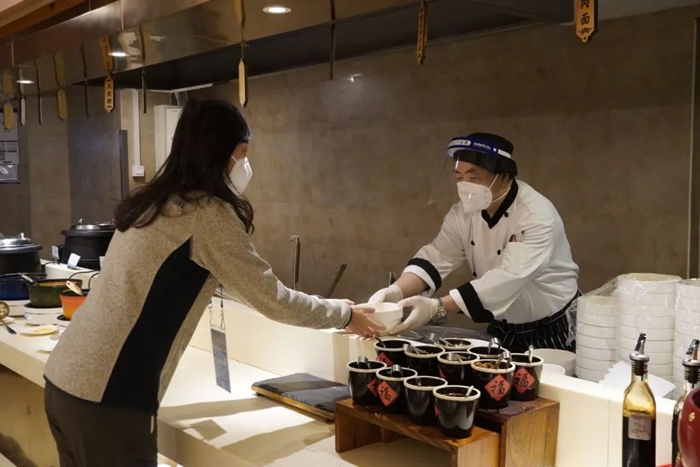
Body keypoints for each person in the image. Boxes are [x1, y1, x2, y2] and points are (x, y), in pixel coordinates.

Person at [43, 99, 383, 467]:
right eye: (243, 152)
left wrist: (333, 308)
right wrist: (344, 316)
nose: (245, 164)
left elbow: (242, 286)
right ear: (220, 151)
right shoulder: (206, 213)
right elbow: (271, 299)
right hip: (108, 398)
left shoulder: (157, 202)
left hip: (66, 379)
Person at [370, 133, 579, 352]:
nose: (465, 185)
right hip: (502, 326)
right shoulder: (462, 213)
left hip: (552, 327)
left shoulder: (535, 214)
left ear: (504, 177)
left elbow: (508, 278)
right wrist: (396, 291)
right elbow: (438, 256)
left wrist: (436, 307)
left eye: (474, 177)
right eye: (459, 177)